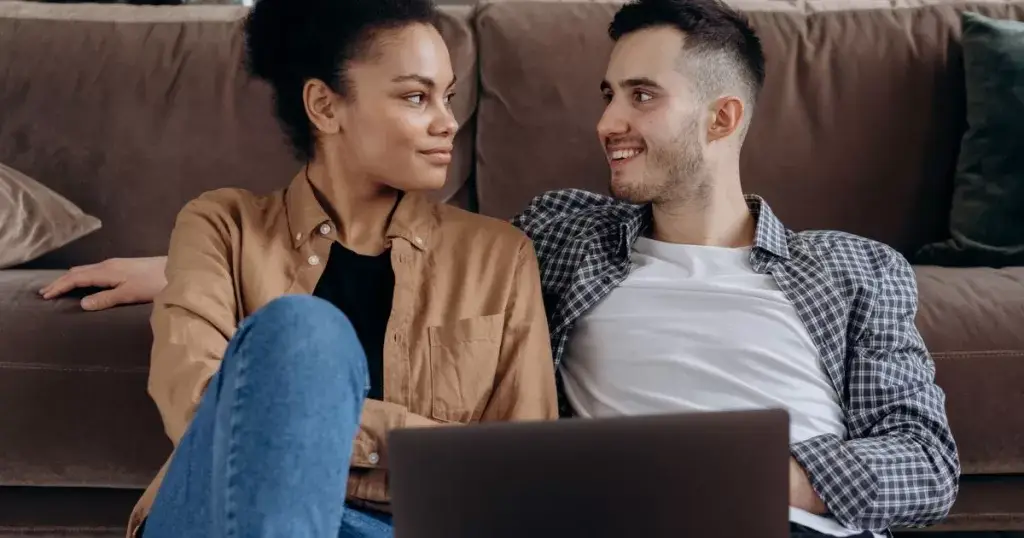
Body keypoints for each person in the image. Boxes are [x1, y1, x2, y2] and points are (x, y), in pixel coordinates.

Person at [40, 0, 959, 536]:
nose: (606, 121)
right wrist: (201, 280)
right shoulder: (566, 236)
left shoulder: (855, 269)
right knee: (299, 331)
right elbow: (231, 389)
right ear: (326, 104)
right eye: (607, 95)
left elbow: (926, 464)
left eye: (641, 96)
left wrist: (742, 478)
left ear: (722, 121)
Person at [58, 0, 559, 536]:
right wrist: (424, 447)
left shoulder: (501, 257)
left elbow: (520, 469)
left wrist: (296, 423)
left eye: (448, 96)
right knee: (306, 331)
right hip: (224, 512)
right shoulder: (221, 227)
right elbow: (200, 410)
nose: (448, 122)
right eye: (417, 97)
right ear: (324, 106)